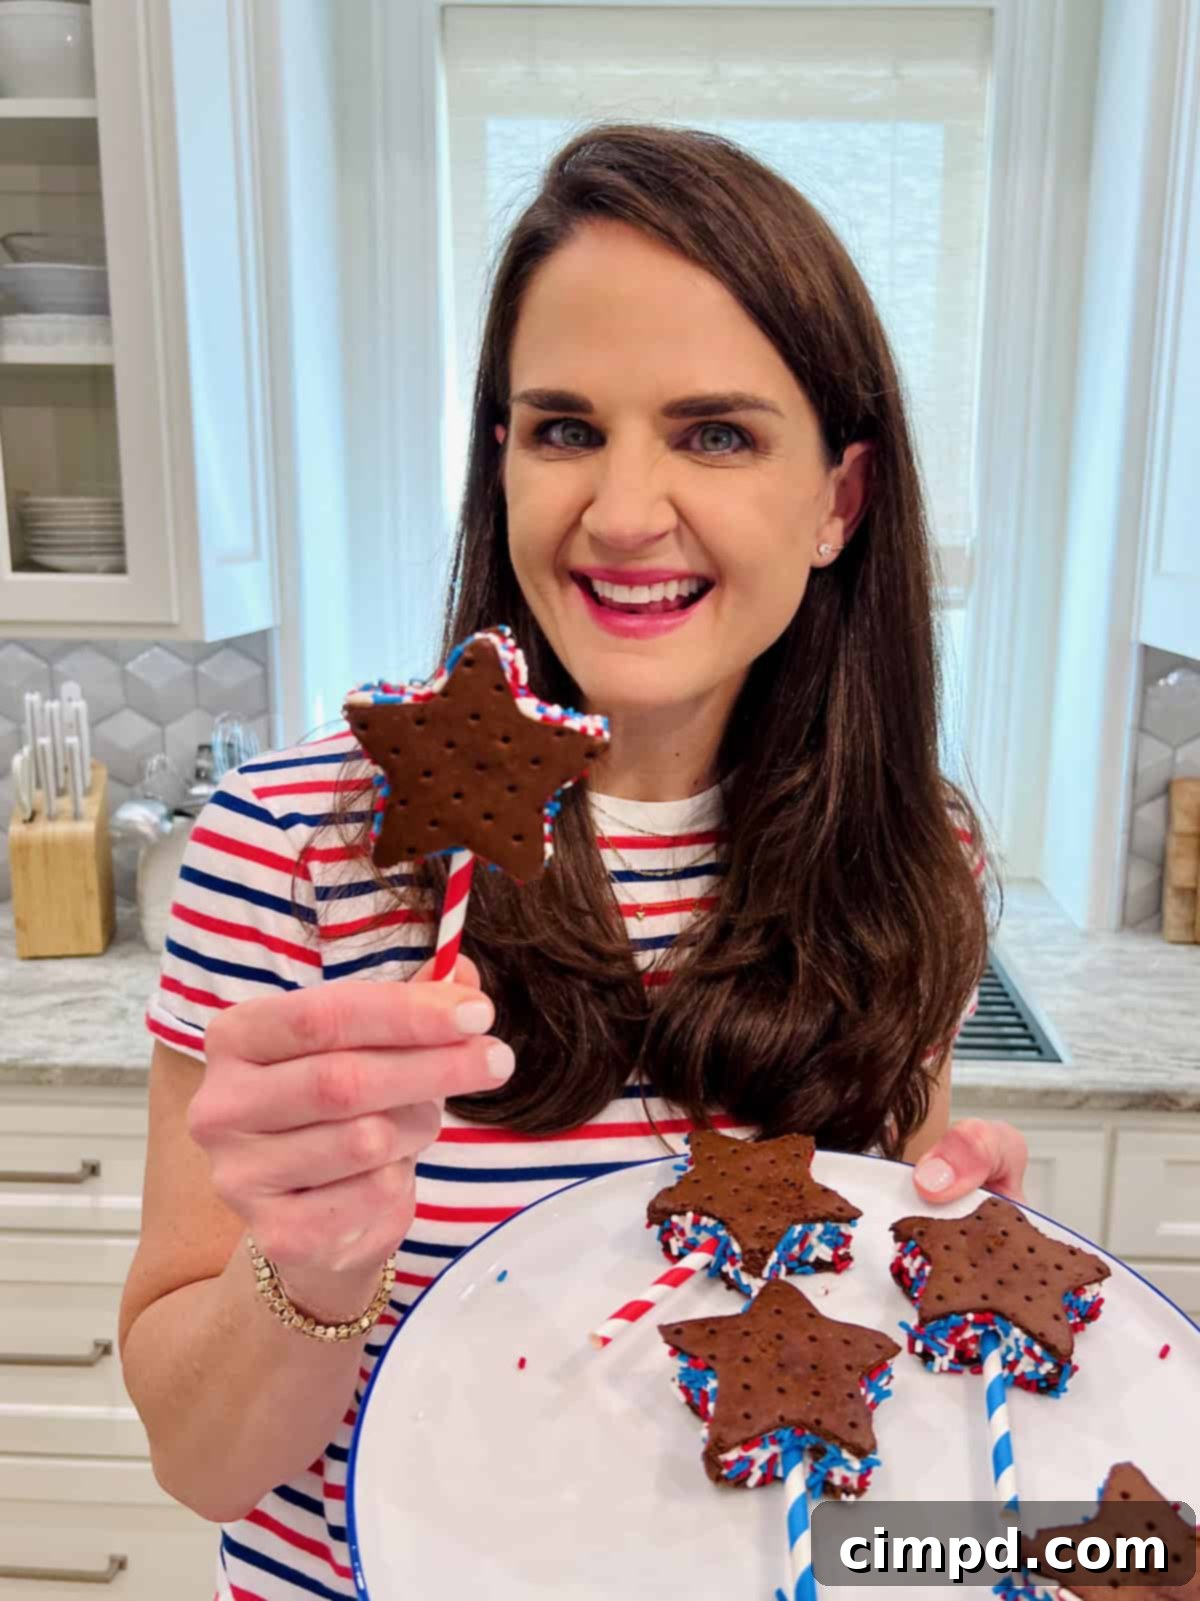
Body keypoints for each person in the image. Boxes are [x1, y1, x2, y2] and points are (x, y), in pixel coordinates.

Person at [118, 122, 1027, 1600]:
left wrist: (947, 1265)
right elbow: (205, 1465)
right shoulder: (296, 848)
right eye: (564, 427)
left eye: (715, 432)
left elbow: (852, 1414)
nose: (619, 510)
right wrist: (318, 1264)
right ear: (504, 459)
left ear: (838, 502)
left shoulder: (913, 855)